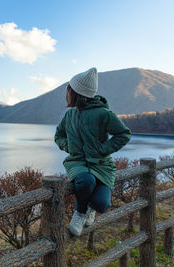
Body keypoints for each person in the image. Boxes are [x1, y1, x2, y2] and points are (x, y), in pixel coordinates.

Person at [54, 67, 131, 236]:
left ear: (75, 92)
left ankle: (91, 208)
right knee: (86, 181)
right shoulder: (70, 116)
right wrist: (69, 147)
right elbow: (58, 135)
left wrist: (103, 150)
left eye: (68, 89)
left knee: (102, 204)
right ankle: (80, 213)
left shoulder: (103, 114)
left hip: (102, 165)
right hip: (78, 164)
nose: (66, 92)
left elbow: (123, 134)